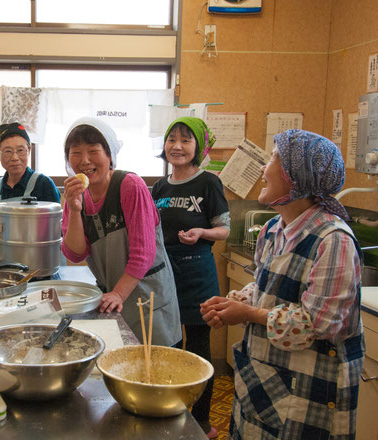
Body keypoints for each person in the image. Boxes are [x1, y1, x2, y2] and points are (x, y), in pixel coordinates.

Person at [200, 129, 364, 440]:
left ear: (296, 177)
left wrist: (247, 314)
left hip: (309, 394)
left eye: (274, 158)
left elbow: (316, 325)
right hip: (264, 386)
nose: (264, 168)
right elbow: (264, 284)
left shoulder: (333, 240)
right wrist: (235, 302)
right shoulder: (274, 228)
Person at [61, 117, 182, 347]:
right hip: (113, 300)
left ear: (109, 156)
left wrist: (118, 294)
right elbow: (75, 254)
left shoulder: (130, 185)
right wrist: (75, 211)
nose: (84, 160)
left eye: (93, 150)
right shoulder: (74, 194)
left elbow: (143, 254)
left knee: (156, 370)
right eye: (75, 152)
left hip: (148, 300)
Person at [151, 117, 230, 439]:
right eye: (172, 139)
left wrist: (201, 232)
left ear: (198, 147)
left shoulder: (208, 182)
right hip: (165, 271)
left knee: (198, 349)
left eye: (185, 140)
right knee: (171, 346)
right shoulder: (159, 186)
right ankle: (174, 415)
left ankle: (202, 422)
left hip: (198, 270)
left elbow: (224, 229)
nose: (177, 146)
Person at [0, 122, 60, 251]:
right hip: (7, 258)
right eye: (7, 151)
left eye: (20, 150)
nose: (15, 157)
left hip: (41, 258)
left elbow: (57, 229)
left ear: (29, 151)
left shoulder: (43, 183)